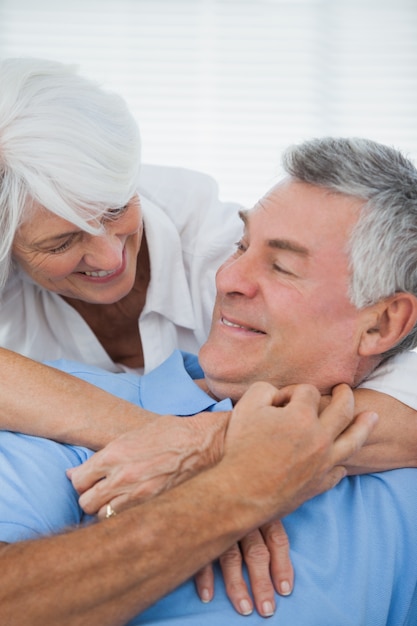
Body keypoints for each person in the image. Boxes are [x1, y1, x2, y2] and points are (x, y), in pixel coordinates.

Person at [1, 136, 417, 625]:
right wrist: (231, 496)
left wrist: (225, 446)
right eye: (240, 246)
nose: (226, 278)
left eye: (281, 266)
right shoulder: (53, 421)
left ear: (382, 325)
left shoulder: (399, 471)